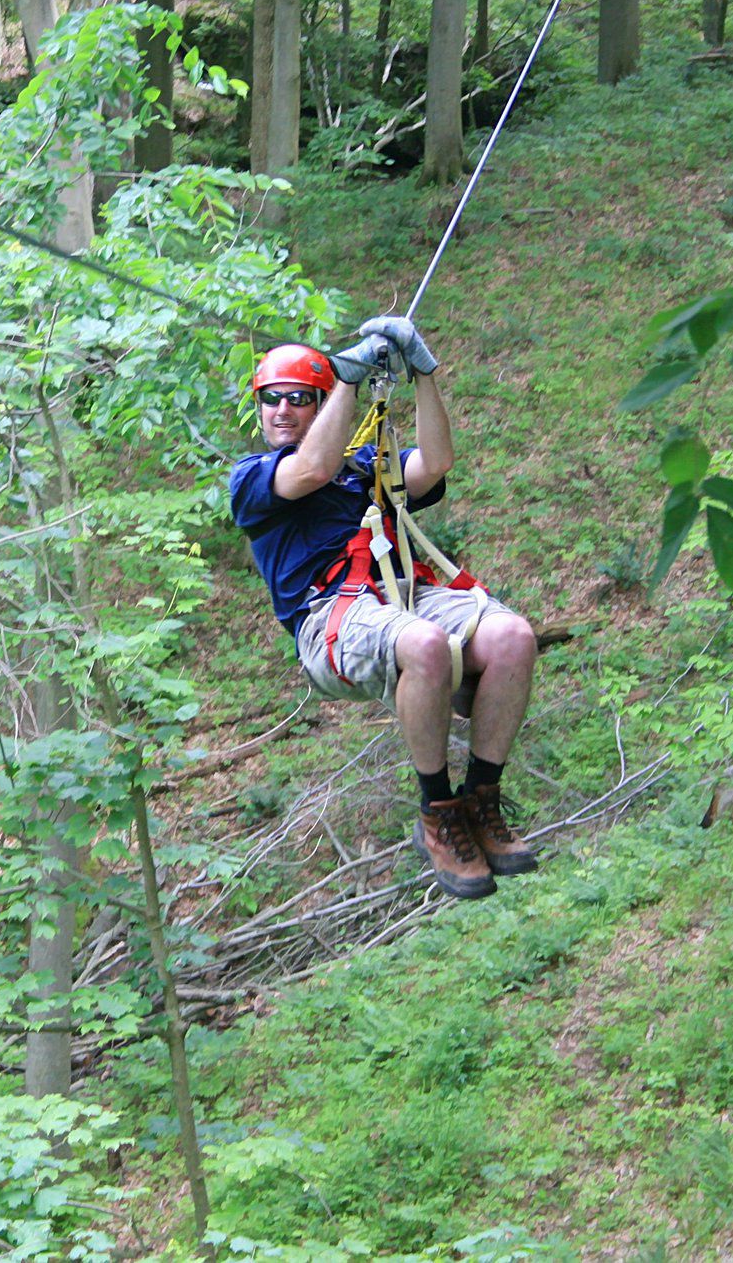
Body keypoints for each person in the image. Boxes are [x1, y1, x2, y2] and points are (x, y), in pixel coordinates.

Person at [227, 317, 540, 900]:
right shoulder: (253, 480)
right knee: (422, 643)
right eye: (272, 399)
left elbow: (437, 462)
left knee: (513, 637)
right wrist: (345, 380)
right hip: (331, 621)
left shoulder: (365, 467)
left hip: (405, 593)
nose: (282, 410)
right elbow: (313, 469)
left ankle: (483, 797)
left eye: (299, 399)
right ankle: (437, 812)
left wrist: (424, 374)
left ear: (320, 407)